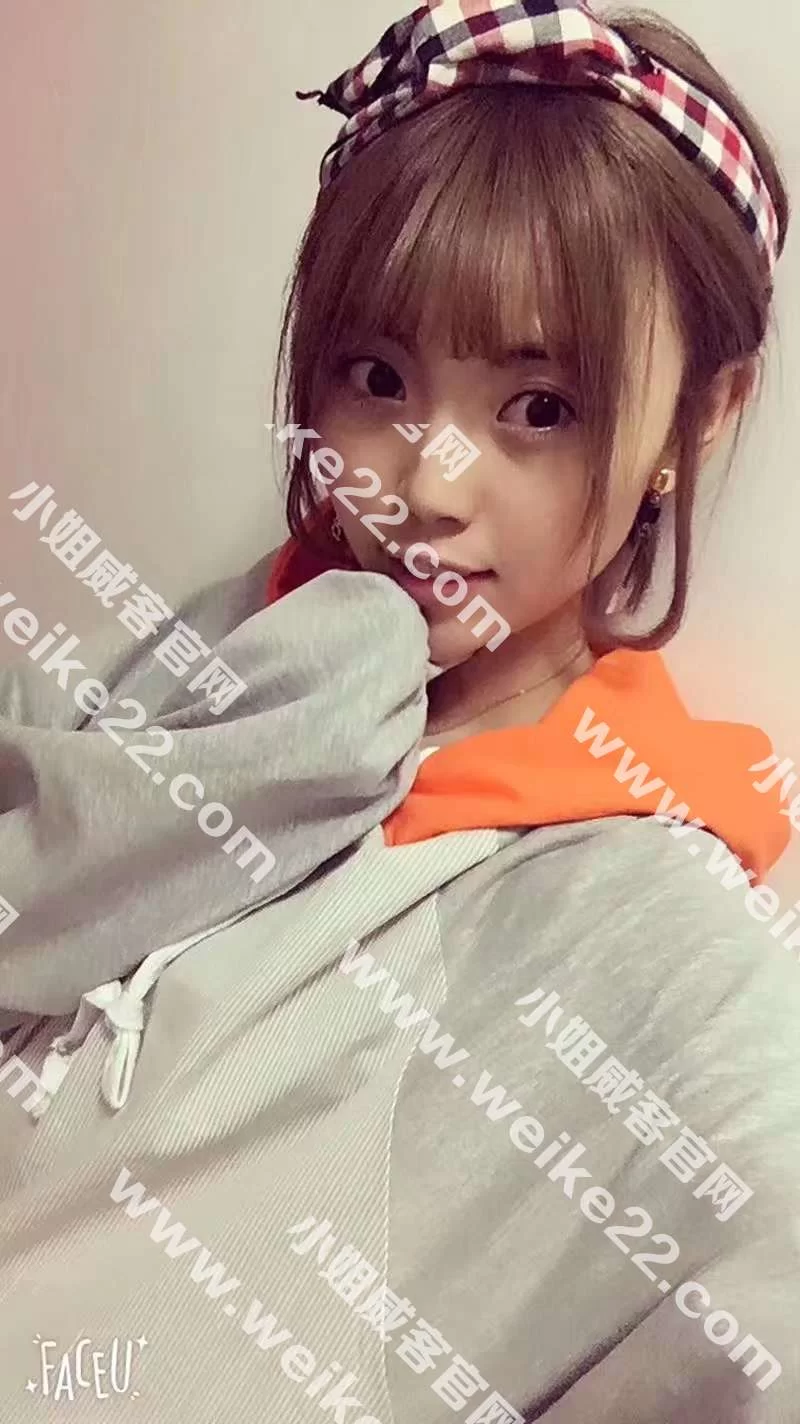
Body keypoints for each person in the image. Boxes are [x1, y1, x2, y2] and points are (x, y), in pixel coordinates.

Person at [0, 2, 798, 1420]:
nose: (424, 485)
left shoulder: (650, 933)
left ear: (706, 414)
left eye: (540, 407)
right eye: (377, 378)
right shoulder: (256, 638)